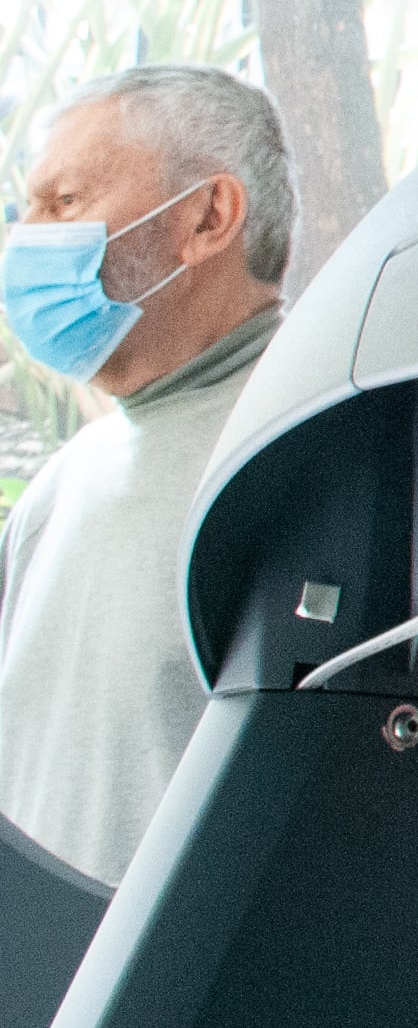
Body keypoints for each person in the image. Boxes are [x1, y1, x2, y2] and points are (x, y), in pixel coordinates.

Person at [0, 66, 299, 884]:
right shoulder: (64, 486)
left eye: (63, 203)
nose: (26, 237)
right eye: (26, 209)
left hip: (190, 1006)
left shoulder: (313, 451)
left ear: (206, 217)